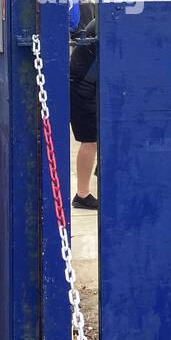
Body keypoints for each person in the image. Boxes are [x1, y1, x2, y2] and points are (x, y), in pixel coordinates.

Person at [69, 15, 99, 209]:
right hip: (83, 87)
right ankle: (82, 194)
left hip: (87, 84)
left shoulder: (102, 20)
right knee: (90, 140)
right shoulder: (109, 23)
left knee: (94, 139)